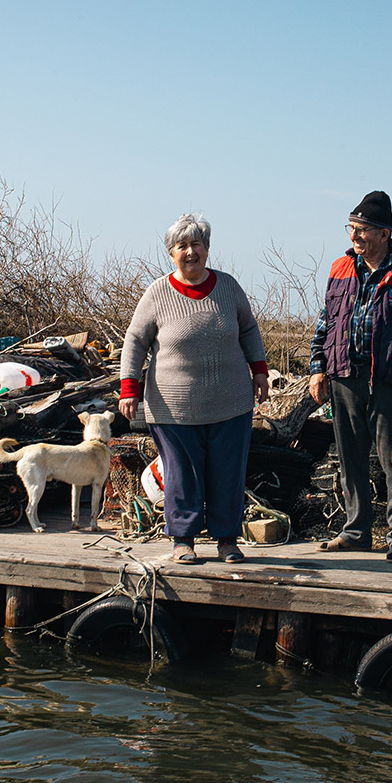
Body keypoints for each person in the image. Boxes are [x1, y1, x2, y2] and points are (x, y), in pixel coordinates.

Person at [119, 214, 270, 564]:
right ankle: (183, 539)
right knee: (182, 475)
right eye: (182, 246)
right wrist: (129, 387)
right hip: (173, 407)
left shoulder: (229, 287)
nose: (190, 252)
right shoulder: (157, 293)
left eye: (196, 244)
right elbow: (135, 340)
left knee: (227, 472)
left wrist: (259, 371)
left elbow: (248, 329)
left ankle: (227, 540)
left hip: (230, 402)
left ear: (207, 248)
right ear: (172, 254)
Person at [309, 191, 392, 562]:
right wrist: (318, 367)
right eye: (351, 228)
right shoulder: (340, 268)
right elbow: (326, 321)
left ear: (384, 233)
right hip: (344, 376)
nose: (354, 236)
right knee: (349, 457)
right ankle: (356, 532)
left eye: (362, 230)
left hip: (391, 380)